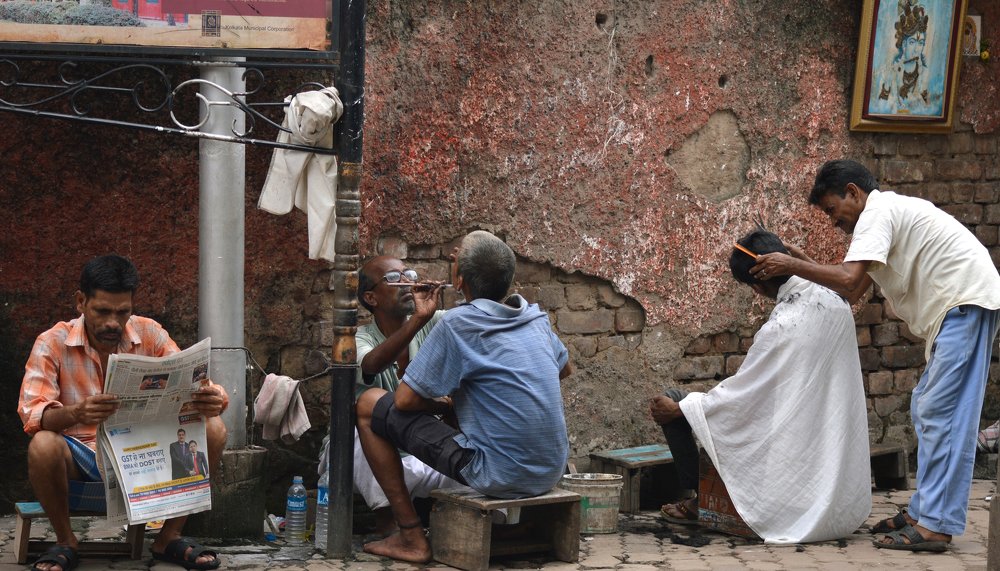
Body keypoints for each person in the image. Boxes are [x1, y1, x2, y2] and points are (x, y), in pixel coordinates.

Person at [751, 159, 1000, 551]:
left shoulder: (876, 213)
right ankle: (924, 512)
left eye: (833, 210)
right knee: (929, 408)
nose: (835, 222)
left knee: (940, 413)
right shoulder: (882, 216)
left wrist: (791, 263)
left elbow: (849, 282)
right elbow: (854, 288)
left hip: (965, 303)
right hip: (961, 305)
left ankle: (935, 524)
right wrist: (801, 262)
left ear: (853, 192)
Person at [355, 230, 572, 563]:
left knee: (369, 403)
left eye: (455, 262)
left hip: (498, 473)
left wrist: (448, 402)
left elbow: (404, 402)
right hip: (551, 468)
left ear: (458, 280)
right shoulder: (534, 317)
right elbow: (563, 369)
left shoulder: (457, 324)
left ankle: (411, 536)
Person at [650, 229, 871, 544]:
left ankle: (700, 499)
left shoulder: (781, 327)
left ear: (757, 285)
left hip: (786, 441)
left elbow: (740, 397)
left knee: (674, 402)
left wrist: (684, 408)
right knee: (696, 405)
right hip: (826, 450)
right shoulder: (835, 300)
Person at [18, 254, 229, 571]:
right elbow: (34, 415)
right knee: (43, 444)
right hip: (83, 455)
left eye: (122, 312)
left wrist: (216, 398)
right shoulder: (51, 342)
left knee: (214, 428)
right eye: (102, 311)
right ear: (81, 302)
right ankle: (65, 541)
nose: (112, 323)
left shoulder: (150, 333)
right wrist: (77, 413)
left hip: (146, 449)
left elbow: (199, 386)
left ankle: (168, 537)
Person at [346, 254, 461, 535]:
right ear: (371, 298)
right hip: (374, 453)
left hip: (420, 446)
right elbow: (371, 364)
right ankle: (393, 527)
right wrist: (418, 320)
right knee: (357, 438)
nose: (408, 283)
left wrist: (465, 276)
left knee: (473, 464)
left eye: (409, 274)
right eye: (395, 278)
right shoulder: (358, 338)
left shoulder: (434, 323)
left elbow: (472, 317)